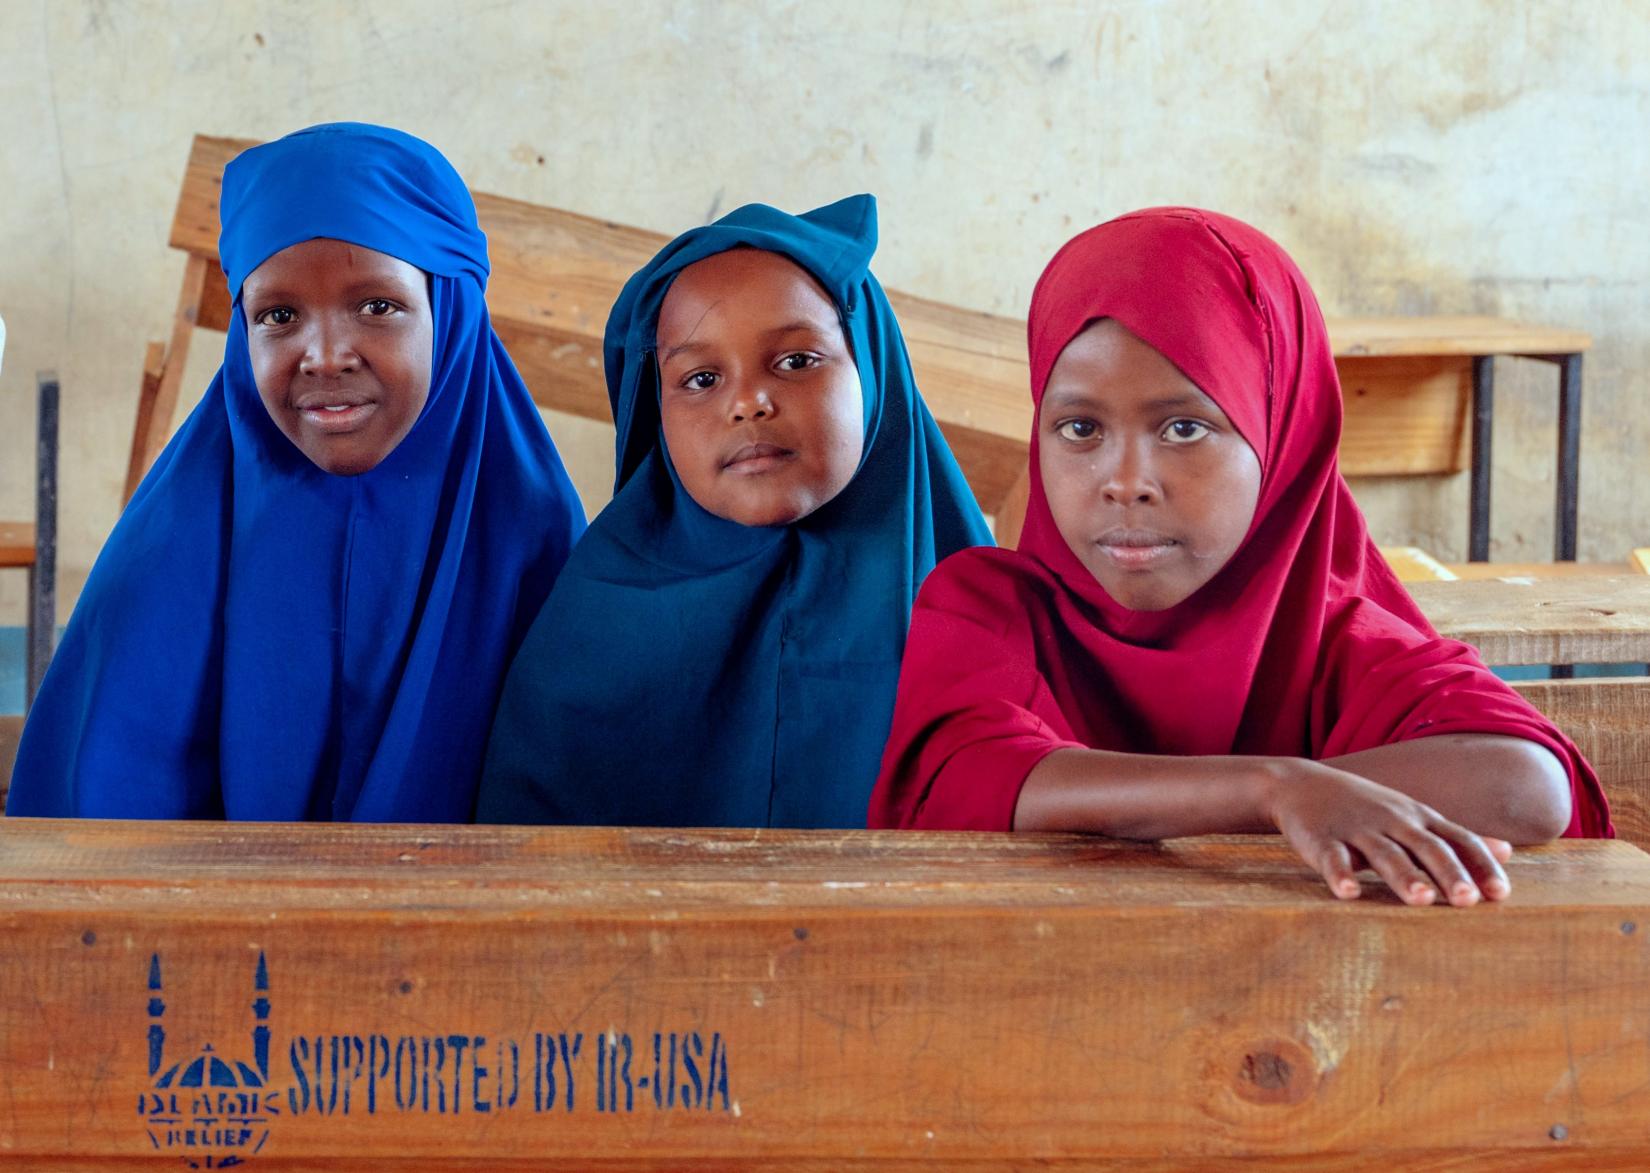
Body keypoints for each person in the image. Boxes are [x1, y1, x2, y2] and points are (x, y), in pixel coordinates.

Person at [869, 207, 1611, 904]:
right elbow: (962, 776)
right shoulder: (987, 606)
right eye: (1080, 429)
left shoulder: (1335, 636)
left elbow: (1528, 785)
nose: (1127, 483)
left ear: (1284, 439)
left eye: (1185, 428)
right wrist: (1276, 791)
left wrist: (1292, 793)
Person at [7, 123, 584, 821]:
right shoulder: (169, 553)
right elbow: (94, 824)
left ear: (450, 311)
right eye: (279, 314)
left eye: (378, 306)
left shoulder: (533, 545)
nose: (325, 354)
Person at [478, 195, 991, 828]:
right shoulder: (588, 627)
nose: (748, 402)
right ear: (654, 414)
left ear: (873, 370)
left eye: (796, 361)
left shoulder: (981, 617)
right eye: (699, 379)